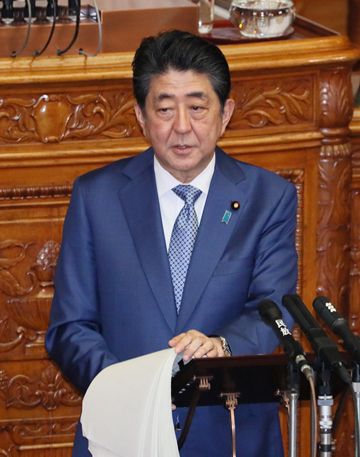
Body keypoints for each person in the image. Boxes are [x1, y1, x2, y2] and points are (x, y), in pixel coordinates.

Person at [46, 30, 298, 457]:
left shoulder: (268, 198)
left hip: (231, 432)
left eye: (198, 108)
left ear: (226, 113)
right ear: (141, 117)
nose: (182, 127)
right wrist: (130, 391)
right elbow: (70, 328)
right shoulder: (97, 197)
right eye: (164, 109)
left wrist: (224, 345)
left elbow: (274, 310)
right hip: (122, 434)